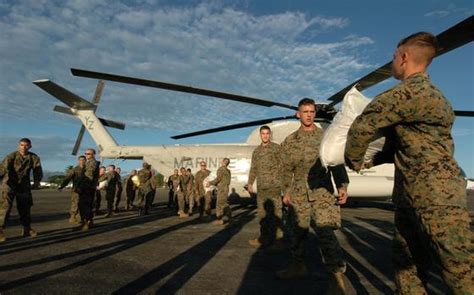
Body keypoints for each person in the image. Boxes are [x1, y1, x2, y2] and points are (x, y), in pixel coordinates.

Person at [345, 32, 473, 294]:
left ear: (404, 58)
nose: (392, 61)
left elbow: (362, 127)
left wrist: (353, 159)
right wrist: (372, 162)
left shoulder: (404, 95)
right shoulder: (439, 99)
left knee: (456, 266)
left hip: (432, 194)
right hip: (420, 193)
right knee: (408, 262)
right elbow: (403, 145)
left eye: (394, 56)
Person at [277, 98, 349, 294]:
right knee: (297, 233)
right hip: (299, 193)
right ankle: (298, 266)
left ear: (314, 114)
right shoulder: (290, 141)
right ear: (298, 114)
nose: (309, 115)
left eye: (311, 111)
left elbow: (335, 162)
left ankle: (336, 279)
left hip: (322, 193)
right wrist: (286, 191)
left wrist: (342, 185)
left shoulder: (326, 137)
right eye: (305, 111)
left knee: (326, 235)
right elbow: (285, 170)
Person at [247, 125, 284, 251]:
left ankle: (279, 240)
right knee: (262, 214)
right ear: (260, 135)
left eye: (267, 133)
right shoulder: (256, 151)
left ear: (270, 134)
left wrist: (280, 180)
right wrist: (250, 183)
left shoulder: (276, 148)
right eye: (263, 133)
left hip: (274, 186)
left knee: (276, 213)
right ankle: (263, 238)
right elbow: (254, 168)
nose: (265, 135)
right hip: (261, 186)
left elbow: (283, 165)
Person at [0, 138, 42, 242]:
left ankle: (26, 228)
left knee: (25, 207)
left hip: (23, 185)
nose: (24, 147)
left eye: (26, 145)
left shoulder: (34, 157)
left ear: (30, 146)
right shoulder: (11, 156)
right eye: (22, 145)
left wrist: (37, 181)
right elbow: (3, 168)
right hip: (9, 184)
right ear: (18, 146)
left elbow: (37, 170)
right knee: (5, 207)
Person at [76, 148, 99, 231]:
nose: (86, 155)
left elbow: (89, 175)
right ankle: (88, 222)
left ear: (93, 154)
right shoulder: (89, 162)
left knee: (84, 205)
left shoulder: (92, 163)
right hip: (88, 187)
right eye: (86, 153)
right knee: (86, 205)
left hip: (87, 187)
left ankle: (86, 223)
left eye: (88, 154)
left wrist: (81, 186)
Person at [58, 155, 86, 224]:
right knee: (75, 203)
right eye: (80, 160)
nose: (82, 161)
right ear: (78, 161)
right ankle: (73, 217)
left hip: (85, 189)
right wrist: (62, 186)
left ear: (85, 161)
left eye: (83, 160)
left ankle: (80, 217)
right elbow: (68, 178)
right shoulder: (74, 169)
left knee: (83, 204)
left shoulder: (87, 169)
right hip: (76, 190)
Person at [207, 158, 232, 225]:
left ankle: (220, 219)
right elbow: (228, 181)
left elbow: (218, 179)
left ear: (223, 162)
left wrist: (210, 183)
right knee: (224, 202)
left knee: (219, 204)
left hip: (221, 188)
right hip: (226, 188)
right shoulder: (228, 171)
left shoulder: (221, 169)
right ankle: (227, 217)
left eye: (222, 160)